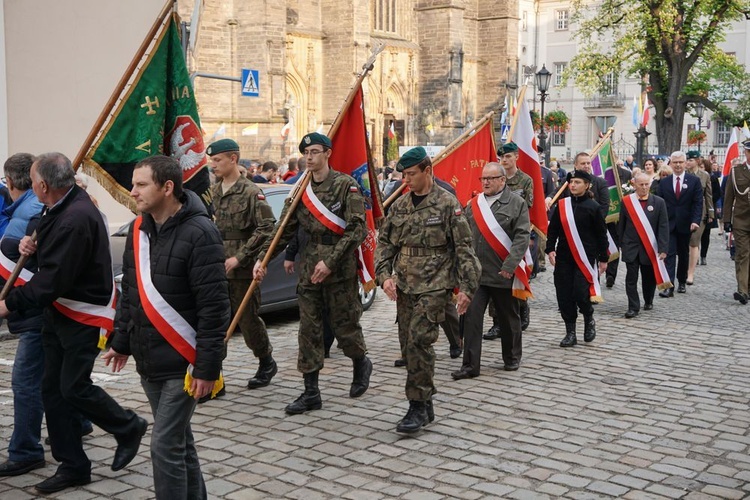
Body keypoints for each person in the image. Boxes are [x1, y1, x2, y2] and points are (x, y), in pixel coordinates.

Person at [0, 153, 147, 494]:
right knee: (52, 391)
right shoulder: (63, 202)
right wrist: (30, 242)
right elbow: (46, 226)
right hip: (59, 313)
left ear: (42, 185)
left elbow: (51, 281)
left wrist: (8, 305)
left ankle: (128, 426)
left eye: (34, 181)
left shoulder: (76, 217)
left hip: (84, 314)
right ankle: (74, 465)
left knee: (73, 387)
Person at [103, 155, 228, 499]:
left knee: (164, 445)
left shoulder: (201, 232)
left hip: (182, 364)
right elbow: (132, 291)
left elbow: (214, 308)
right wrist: (122, 341)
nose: (133, 191)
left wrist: (207, 367)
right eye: (134, 183)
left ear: (167, 187)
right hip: (149, 358)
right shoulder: (138, 230)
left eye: (141, 184)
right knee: (179, 442)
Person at [253, 132, 372, 415]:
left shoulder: (346, 186)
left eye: (315, 152)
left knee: (345, 327)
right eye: (305, 153)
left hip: (339, 270)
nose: (309, 157)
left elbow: (357, 229)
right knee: (309, 331)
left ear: (327, 153)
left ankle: (360, 362)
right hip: (309, 270)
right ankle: (310, 393)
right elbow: (284, 229)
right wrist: (263, 259)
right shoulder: (299, 189)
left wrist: (330, 262)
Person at [375, 146, 480, 433]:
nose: (406, 180)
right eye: (403, 175)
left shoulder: (447, 204)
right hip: (406, 286)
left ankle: (417, 407)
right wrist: (384, 276)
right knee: (408, 347)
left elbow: (464, 248)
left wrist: (467, 289)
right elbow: (385, 244)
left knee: (420, 341)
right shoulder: (399, 205)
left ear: (427, 171)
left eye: (411, 174)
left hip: (435, 285)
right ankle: (426, 398)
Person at [207, 139, 278, 389]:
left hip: (242, 270)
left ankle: (266, 360)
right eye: (212, 161)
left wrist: (241, 257)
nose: (213, 165)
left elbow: (267, 227)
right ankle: (215, 375)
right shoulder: (212, 191)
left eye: (217, 160)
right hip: (215, 267)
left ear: (233, 159)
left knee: (247, 320)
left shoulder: (250, 191)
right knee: (215, 321)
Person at [452, 162, 529, 379]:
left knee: (508, 317)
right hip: (476, 275)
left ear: (502, 180)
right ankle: (470, 366)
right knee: (471, 319)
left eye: (490, 178)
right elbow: (464, 235)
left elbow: (522, 236)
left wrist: (510, 265)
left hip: (502, 272)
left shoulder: (516, 203)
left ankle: (512, 357)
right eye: (483, 178)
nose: (485, 182)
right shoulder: (474, 204)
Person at [0, 153, 46, 477]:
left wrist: (9, 303)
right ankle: (78, 423)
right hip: (36, 309)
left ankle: (26, 450)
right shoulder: (30, 210)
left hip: (35, 311)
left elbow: (37, 269)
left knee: (26, 381)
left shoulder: (30, 213)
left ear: (12, 181)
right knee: (57, 376)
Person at [545, 170, 608, 347]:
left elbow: (601, 234)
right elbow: (553, 230)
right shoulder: (562, 205)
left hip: (585, 258)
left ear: (587, 185)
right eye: (571, 182)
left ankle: (588, 317)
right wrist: (550, 249)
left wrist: (603, 258)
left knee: (581, 293)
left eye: (577, 182)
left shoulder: (594, 207)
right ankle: (570, 332)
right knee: (564, 294)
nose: (573, 185)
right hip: (564, 257)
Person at [485, 142, 533, 340]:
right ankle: (497, 323)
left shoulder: (525, 180)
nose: (504, 160)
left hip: (515, 236)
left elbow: (527, 206)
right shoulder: (494, 179)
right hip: (494, 234)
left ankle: (522, 307)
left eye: (508, 157)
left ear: (516, 158)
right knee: (495, 279)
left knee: (516, 277)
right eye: (501, 158)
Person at [617, 173, 670, 318]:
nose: (644, 187)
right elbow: (621, 224)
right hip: (631, 246)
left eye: (647, 184)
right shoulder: (627, 201)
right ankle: (633, 307)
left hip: (649, 247)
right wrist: (620, 244)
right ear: (634, 184)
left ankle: (648, 299)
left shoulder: (659, 202)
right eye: (641, 184)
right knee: (631, 278)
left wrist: (663, 248)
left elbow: (663, 227)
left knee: (648, 278)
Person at [657, 151, 703, 297]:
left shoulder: (694, 181)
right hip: (668, 223)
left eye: (680, 162)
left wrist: (695, 221)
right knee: (669, 253)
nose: (678, 165)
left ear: (685, 163)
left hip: (686, 223)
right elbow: (659, 203)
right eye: (675, 162)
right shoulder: (664, 182)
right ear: (671, 163)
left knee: (683, 254)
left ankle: (682, 281)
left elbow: (697, 203)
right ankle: (669, 285)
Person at [723, 139, 750, 304]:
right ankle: (743, 291)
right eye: (749, 152)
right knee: (742, 254)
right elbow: (729, 198)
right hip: (741, 219)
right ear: (745, 153)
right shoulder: (736, 171)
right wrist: (727, 220)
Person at [685, 150, 714, 285]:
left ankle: (691, 273)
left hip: (700, 212)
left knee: (694, 241)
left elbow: (708, 195)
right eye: (688, 159)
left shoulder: (704, 175)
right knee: (684, 242)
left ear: (697, 161)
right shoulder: (684, 174)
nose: (688, 162)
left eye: (691, 160)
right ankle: (683, 270)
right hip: (685, 211)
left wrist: (711, 213)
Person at [700, 158, 722, 265]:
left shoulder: (712, 178)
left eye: (702, 167)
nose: (701, 169)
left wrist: (709, 201)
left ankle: (703, 255)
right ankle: (694, 254)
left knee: (706, 234)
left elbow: (717, 193)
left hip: (708, 208)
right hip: (698, 207)